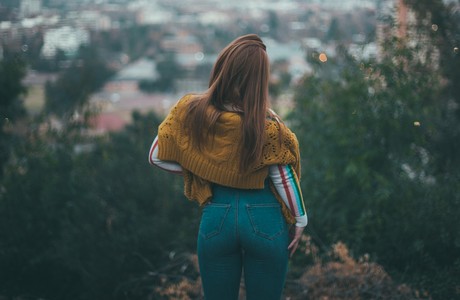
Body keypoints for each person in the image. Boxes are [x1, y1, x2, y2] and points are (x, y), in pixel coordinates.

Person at [148, 34, 307, 300]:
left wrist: (205, 168)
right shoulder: (268, 129)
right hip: (265, 219)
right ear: (259, 82)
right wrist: (300, 218)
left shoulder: (191, 113)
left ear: (223, 67)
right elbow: (282, 176)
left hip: (216, 218)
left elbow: (156, 155)